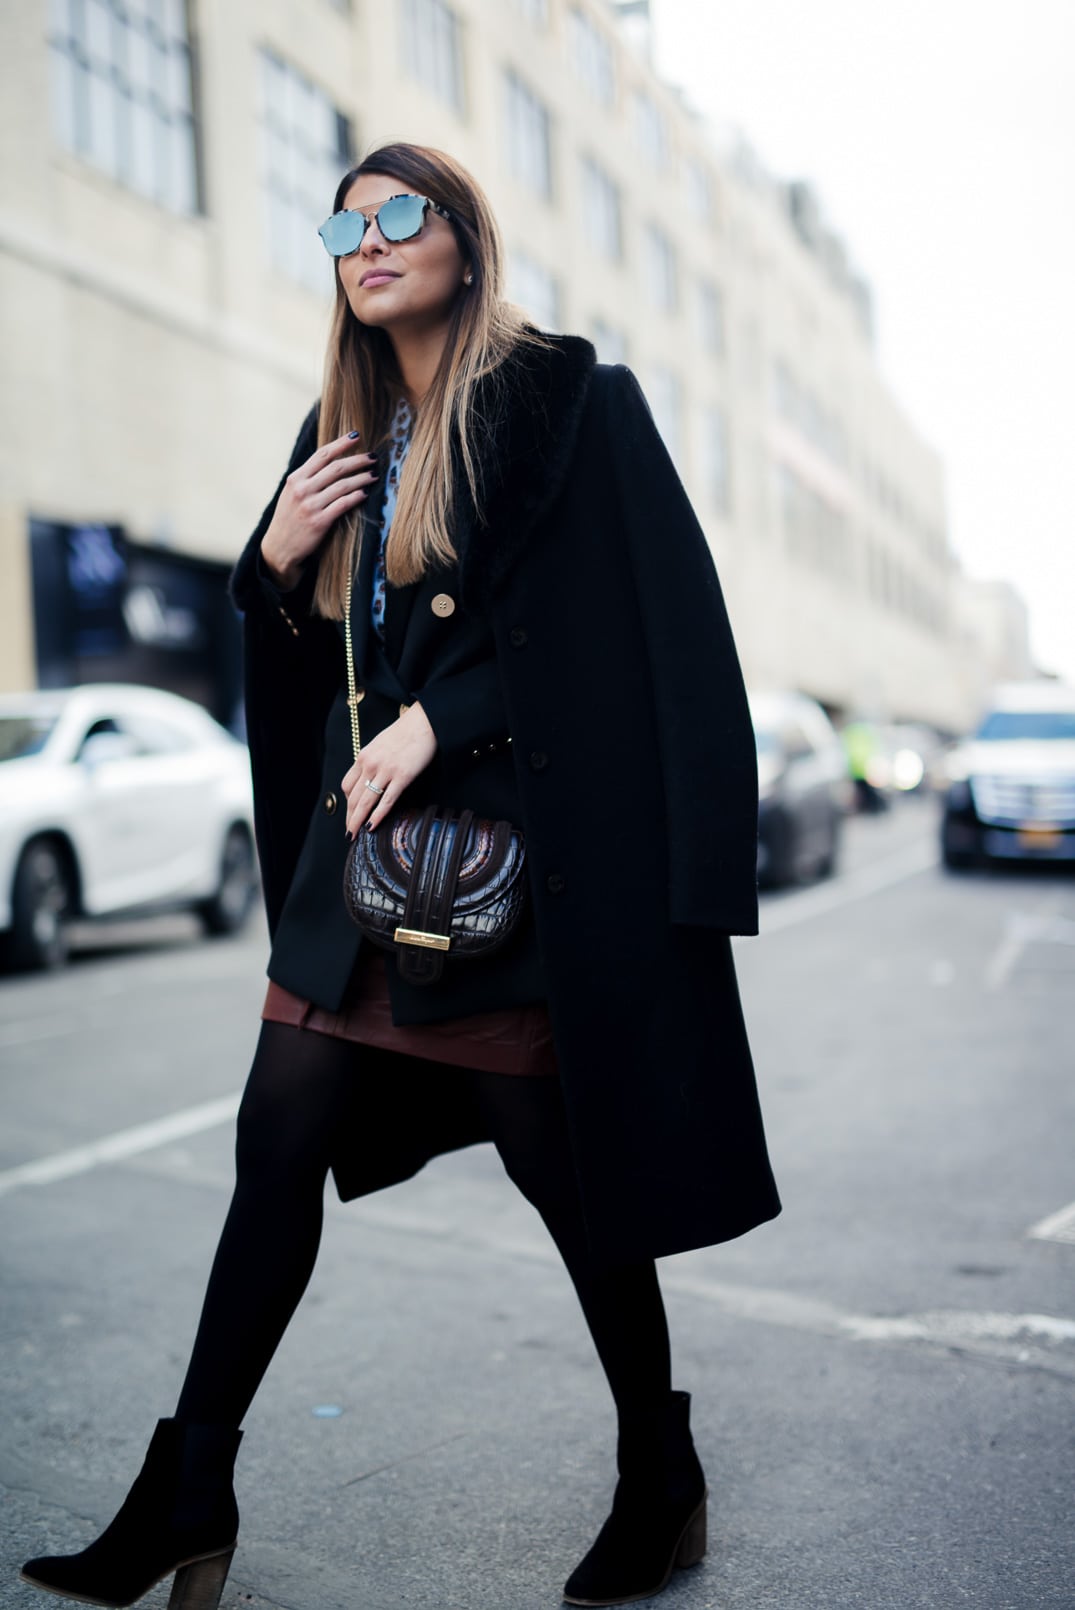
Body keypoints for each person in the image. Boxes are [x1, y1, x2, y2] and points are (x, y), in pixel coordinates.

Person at [21, 142, 779, 1610]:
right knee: (272, 1147)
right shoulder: (344, 428)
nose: (364, 242)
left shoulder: (568, 402)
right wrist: (272, 556)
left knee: (564, 1174)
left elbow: (637, 642)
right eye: (341, 223)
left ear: (464, 236)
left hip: (504, 879)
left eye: (397, 215)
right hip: (354, 873)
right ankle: (190, 1487)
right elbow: (328, 670)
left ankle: (658, 1466)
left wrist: (455, 713)